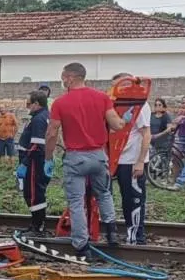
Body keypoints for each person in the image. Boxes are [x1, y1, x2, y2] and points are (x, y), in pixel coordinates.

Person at [42, 62, 125, 256]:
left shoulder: (60, 103)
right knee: (104, 194)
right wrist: (125, 119)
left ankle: (82, 246)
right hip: (98, 155)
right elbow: (117, 125)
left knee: (76, 201)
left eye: (64, 78)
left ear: (71, 78)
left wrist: (48, 158)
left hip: (76, 158)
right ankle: (111, 233)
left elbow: (52, 132)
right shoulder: (102, 97)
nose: (63, 81)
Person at [112, 75, 151, 245]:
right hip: (120, 159)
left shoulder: (139, 105)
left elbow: (146, 134)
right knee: (126, 198)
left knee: (134, 199)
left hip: (132, 161)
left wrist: (140, 161)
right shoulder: (120, 103)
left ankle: (136, 237)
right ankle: (130, 232)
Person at [16, 89, 51, 233]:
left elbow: (36, 144)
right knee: (35, 192)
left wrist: (25, 163)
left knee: (33, 193)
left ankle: (38, 225)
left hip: (34, 161)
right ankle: (36, 223)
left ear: (36, 104)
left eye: (28, 104)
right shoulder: (42, 116)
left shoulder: (39, 119)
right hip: (36, 160)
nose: (27, 107)